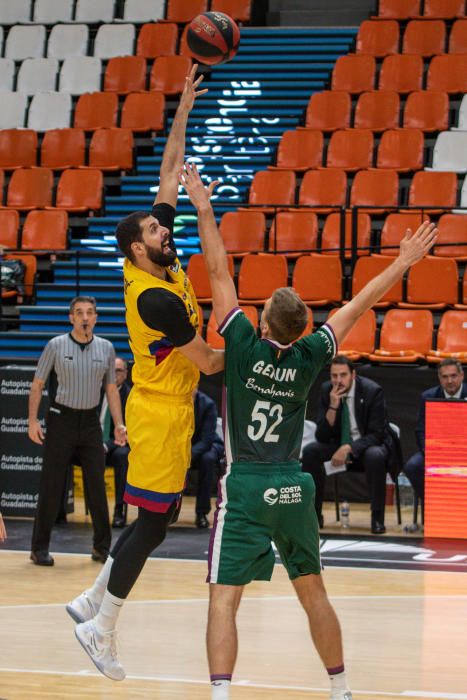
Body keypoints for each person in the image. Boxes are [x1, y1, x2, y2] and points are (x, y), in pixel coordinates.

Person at [179, 161, 437, 700]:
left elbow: (220, 271)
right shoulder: (311, 353)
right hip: (293, 486)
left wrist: (203, 206)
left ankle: (220, 695)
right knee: (313, 593)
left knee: (223, 601)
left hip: (248, 484)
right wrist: (403, 262)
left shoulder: (245, 344)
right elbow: (360, 302)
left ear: (267, 323)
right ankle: (340, 689)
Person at [67, 65, 224, 682]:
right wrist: (266, 349)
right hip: (159, 413)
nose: (167, 226)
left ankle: (91, 599)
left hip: (169, 408)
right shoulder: (153, 299)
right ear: (138, 248)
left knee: (145, 519)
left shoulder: (160, 260)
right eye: (159, 228)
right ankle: (101, 626)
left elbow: (168, 172)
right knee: (155, 525)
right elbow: (210, 363)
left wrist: (182, 107)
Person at [28, 296, 127, 567]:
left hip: (91, 423)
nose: (85, 317)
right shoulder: (56, 346)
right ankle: (39, 548)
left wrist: (119, 424)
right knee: (52, 484)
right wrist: (32, 421)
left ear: (96, 318)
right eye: (79, 313)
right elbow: (37, 385)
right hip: (61, 420)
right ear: (71, 317)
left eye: (90, 313)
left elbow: (110, 389)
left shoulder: (106, 348)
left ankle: (101, 547)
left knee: (96, 484)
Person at [301, 356, 400, 535]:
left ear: (353, 374)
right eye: (334, 376)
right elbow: (321, 435)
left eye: (343, 375)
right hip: (336, 445)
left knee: (375, 455)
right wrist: (332, 407)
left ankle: (377, 518)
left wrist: (349, 448)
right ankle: (314, 517)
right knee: (310, 452)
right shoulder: (327, 391)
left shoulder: (372, 391)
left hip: (364, 447)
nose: (338, 381)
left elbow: (378, 433)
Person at [404, 358, 467, 503]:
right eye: (445, 377)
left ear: (462, 376)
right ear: (439, 378)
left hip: (464, 450)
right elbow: (420, 430)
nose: (449, 381)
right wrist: (428, 450)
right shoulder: (428, 397)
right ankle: (432, 504)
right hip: (437, 450)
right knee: (412, 466)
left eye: (453, 376)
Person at [102, 357, 131, 528]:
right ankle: (59, 512)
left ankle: (119, 510)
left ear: (126, 374)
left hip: (115, 446)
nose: (114, 374)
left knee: (123, 456)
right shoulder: (96, 392)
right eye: (111, 371)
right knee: (64, 451)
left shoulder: (130, 396)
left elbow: (128, 430)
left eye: (118, 371)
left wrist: (107, 445)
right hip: (91, 442)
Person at [191, 388, 224, 528]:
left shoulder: (207, 404)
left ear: (196, 386)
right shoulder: (174, 401)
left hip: (208, 444)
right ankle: (169, 510)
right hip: (185, 446)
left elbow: (207, 439)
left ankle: (202, 512)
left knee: (207, 459)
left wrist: (187, 455)